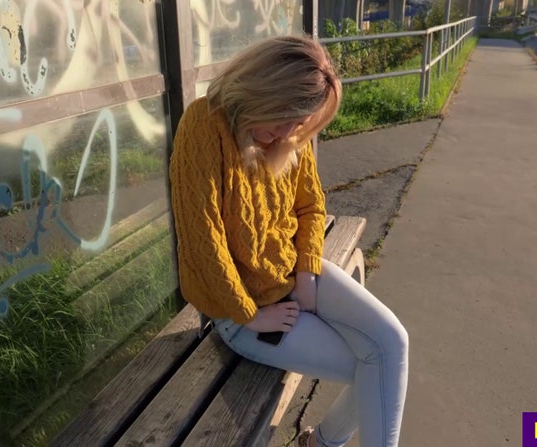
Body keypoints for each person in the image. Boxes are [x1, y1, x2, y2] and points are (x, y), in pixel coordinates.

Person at [169, 35, 408, 447]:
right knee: (374, 367)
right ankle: (323, 443)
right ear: (263, 90)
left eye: (300, 124)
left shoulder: (289, 133)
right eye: (285, 118)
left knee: (393, 344)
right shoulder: (203, 126)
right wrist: (248, 314)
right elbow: (202, 240)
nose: (290, 132)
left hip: (293, 280)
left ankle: (320, 443)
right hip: (241, 309)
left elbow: (311, 208)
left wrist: (306, 273)